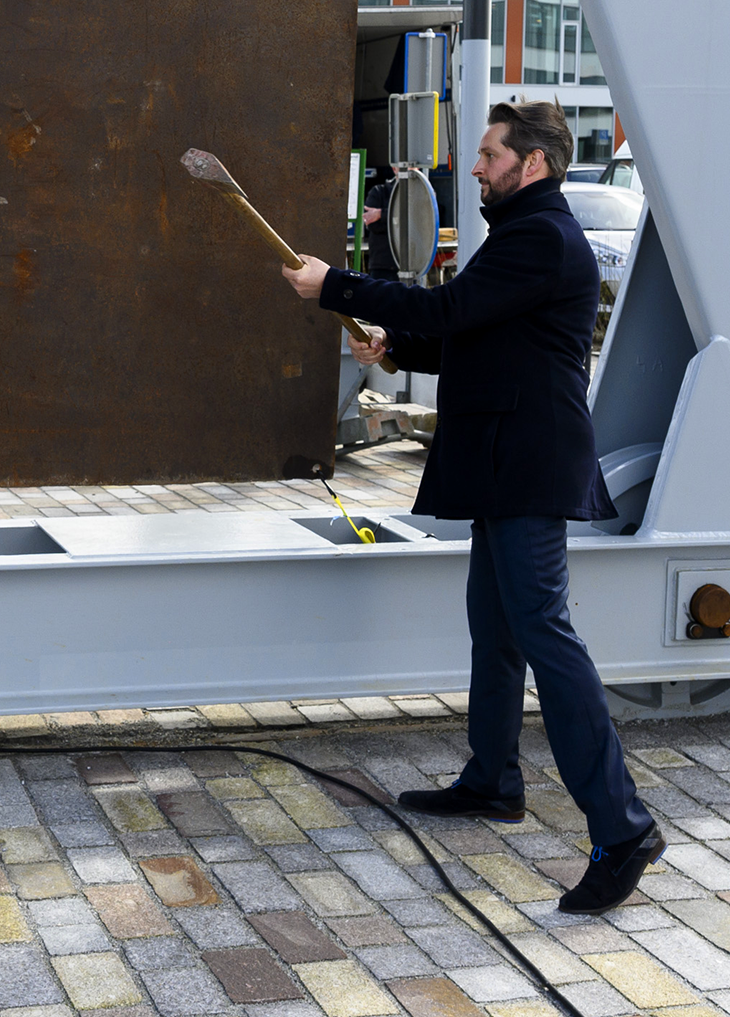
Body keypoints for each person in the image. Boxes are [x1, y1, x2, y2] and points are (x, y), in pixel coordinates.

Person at [282, 101, 663, 915]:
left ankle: (624, 827)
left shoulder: (540, 236)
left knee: (544, 636)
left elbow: (453, 311)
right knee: (496, 630)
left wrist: (334, 288)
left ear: (533, 165)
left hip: (526, 465)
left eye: (491, 155)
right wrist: (395, 345)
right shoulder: (523, 238)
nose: (479, 167)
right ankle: (492, 781)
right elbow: (477, 335)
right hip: (505, 463)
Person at [361, 167, 398, 279]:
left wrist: (381, 214)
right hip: (383, 265)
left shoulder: (424, 193)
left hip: (415, 265)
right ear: (394, 167)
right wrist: (397, 218)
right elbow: (372, 225)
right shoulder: (378, 192)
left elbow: (418, 220)